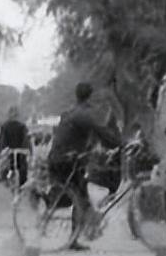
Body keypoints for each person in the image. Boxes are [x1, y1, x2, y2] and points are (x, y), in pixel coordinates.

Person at [47, 82, 122, 247]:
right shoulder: (84, 114)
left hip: (59, 158)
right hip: (67, 160)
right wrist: (121, 144)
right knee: (80, 197)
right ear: (90, 96)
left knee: (81, 194)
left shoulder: (70, 112)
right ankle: (82, 231)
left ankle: (76, 236)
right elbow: (102, 133)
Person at [0, 107, 31, 189]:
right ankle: (22, 183)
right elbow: (26, 139)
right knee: (22, 167)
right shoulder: (22, 126)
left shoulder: (5, 126)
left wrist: (1, 149)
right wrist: (27, 149)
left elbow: (2, 140)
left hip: (10, 150)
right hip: (21, 150)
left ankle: (9, 179)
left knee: (11, 167)